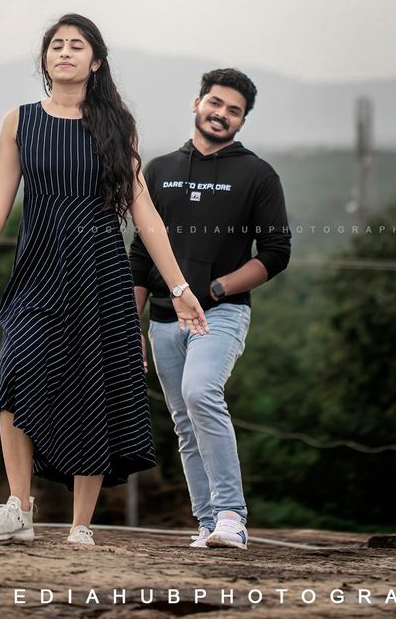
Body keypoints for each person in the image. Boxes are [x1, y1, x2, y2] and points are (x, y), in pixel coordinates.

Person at [0, 13, 209, 547]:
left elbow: (143, 211)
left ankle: (82, 526)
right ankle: (19, 507)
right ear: (45, 60)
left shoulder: (115, 125)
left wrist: (178, 288)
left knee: (92, 387)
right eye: (55, 45)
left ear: (95, 61)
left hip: (99, 269)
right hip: (36, 267)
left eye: (76, 45)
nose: (64, 52)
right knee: (15, 370)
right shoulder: (19, 121)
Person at [129, 68, 291, 551]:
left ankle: (231, 516)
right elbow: (140, 254)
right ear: (197, 103)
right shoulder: (158, 170)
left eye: (234, 110)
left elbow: (276, 253)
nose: (222, 114)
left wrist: (216, 289)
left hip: (221, 314)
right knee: (183, 419)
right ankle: (206, 523)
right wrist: (128, 325)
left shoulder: (257, 175)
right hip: (161, 320)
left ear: (242, 120)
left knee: (201, 394)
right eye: (215, 103)